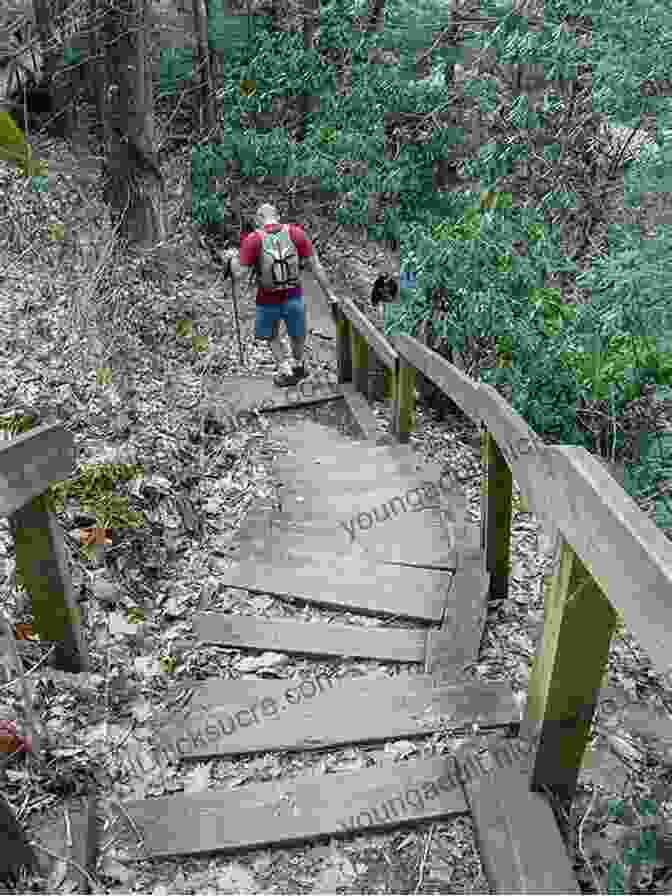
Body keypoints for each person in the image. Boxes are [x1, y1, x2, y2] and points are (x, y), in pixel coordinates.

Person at [230, 203, 340, 388]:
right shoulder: (296, 233)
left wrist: (232, 259)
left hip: (267, 298)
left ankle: (284, 369)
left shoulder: (253, 239)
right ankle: (298, 365)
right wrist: (330, 295)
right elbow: (315, 265)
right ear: (278, 216)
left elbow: (239, 273)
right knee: (297, 334)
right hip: (294, 295)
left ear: (258, 219)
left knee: (271, 335)